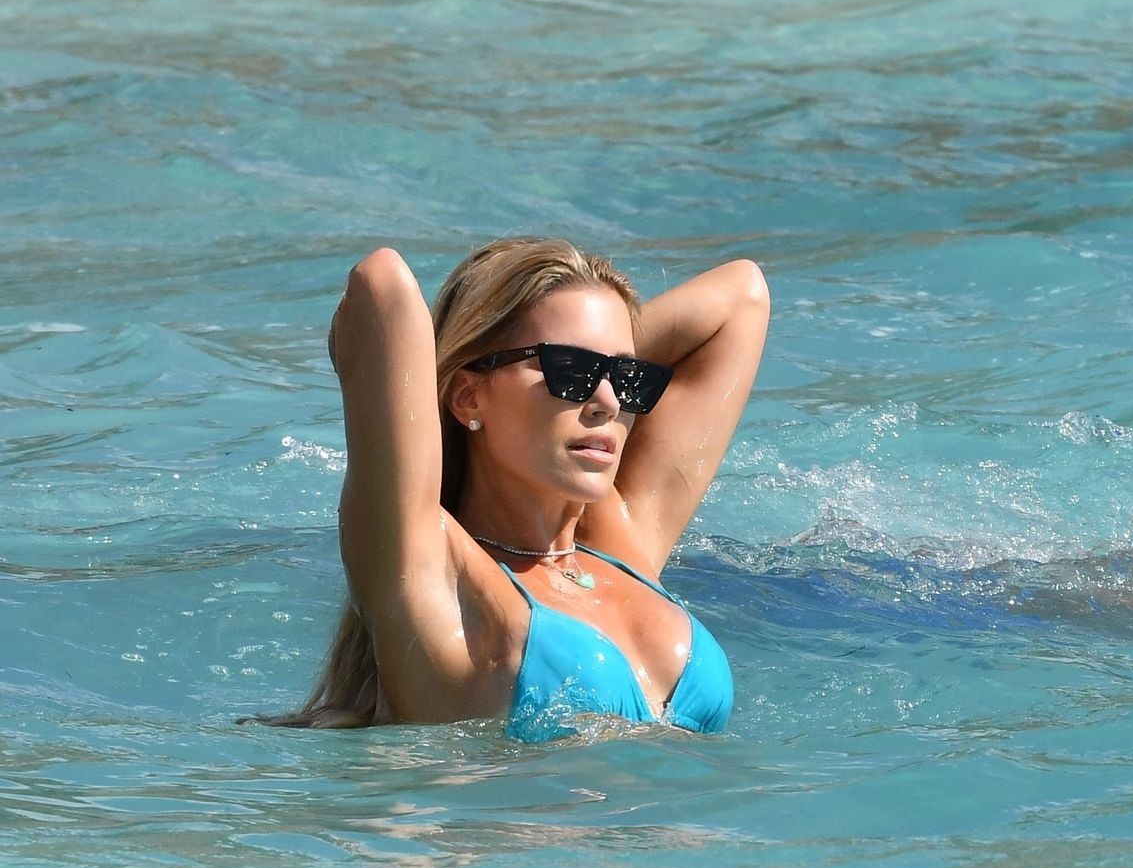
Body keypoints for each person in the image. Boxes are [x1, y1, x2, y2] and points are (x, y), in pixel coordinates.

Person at [262, 238, 768, 740]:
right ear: (467, 396)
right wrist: (451, 377)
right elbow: (382, 284)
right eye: (570, 371)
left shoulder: (618, 541)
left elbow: (742, 295)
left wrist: (584, 356)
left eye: (627, 377)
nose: (609, 403)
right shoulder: (436, 581)